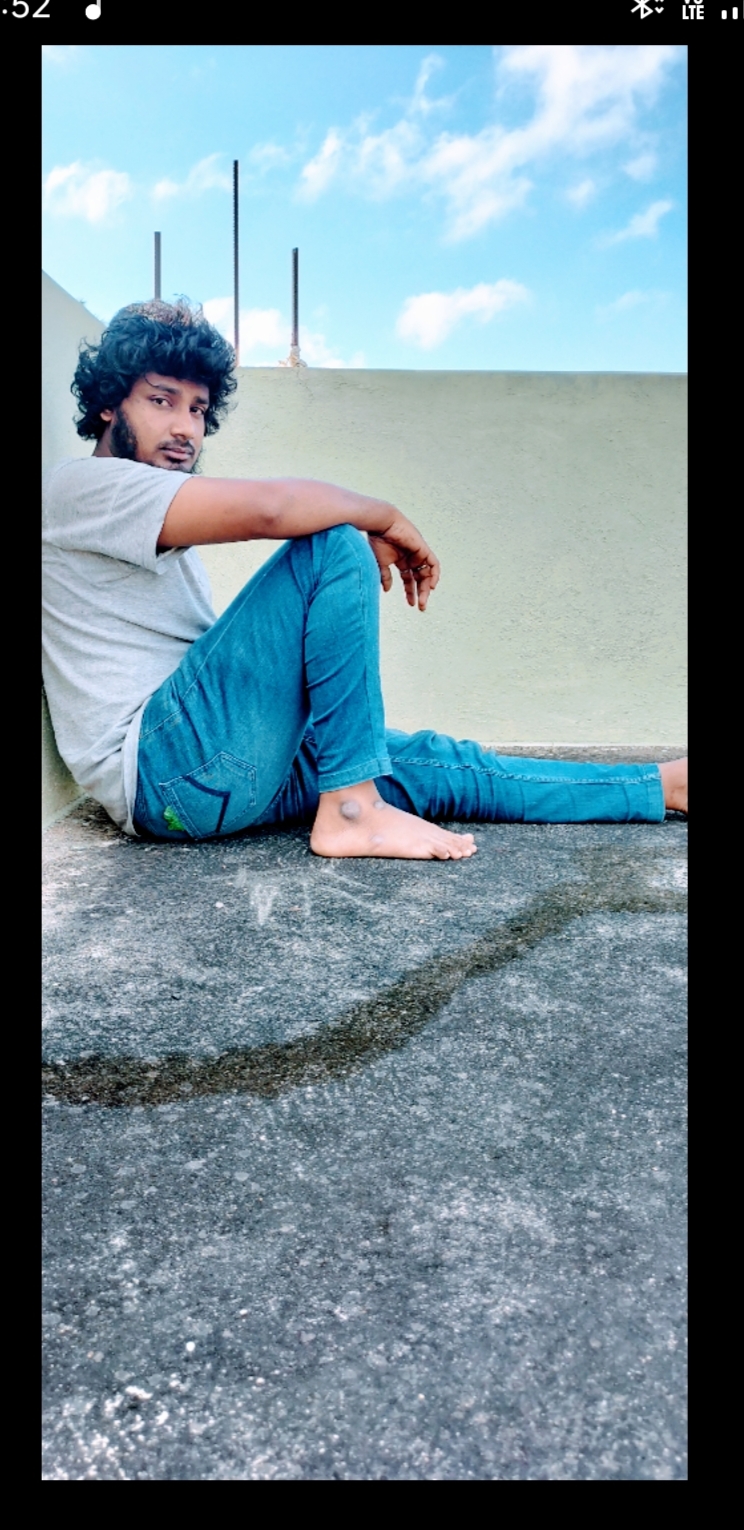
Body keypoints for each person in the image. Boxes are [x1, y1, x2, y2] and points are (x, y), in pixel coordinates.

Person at [42, 300, 687, 860]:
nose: (186, 428)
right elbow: (272, 509)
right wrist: (382, 516)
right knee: (334, 542)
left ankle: (660, 786)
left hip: (214, 773)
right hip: (166, 773)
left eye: (199, 409)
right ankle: (353, 810)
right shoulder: (81, 487)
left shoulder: (145, 509)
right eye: (161, 401)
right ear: (108, 404)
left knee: (436, 763)